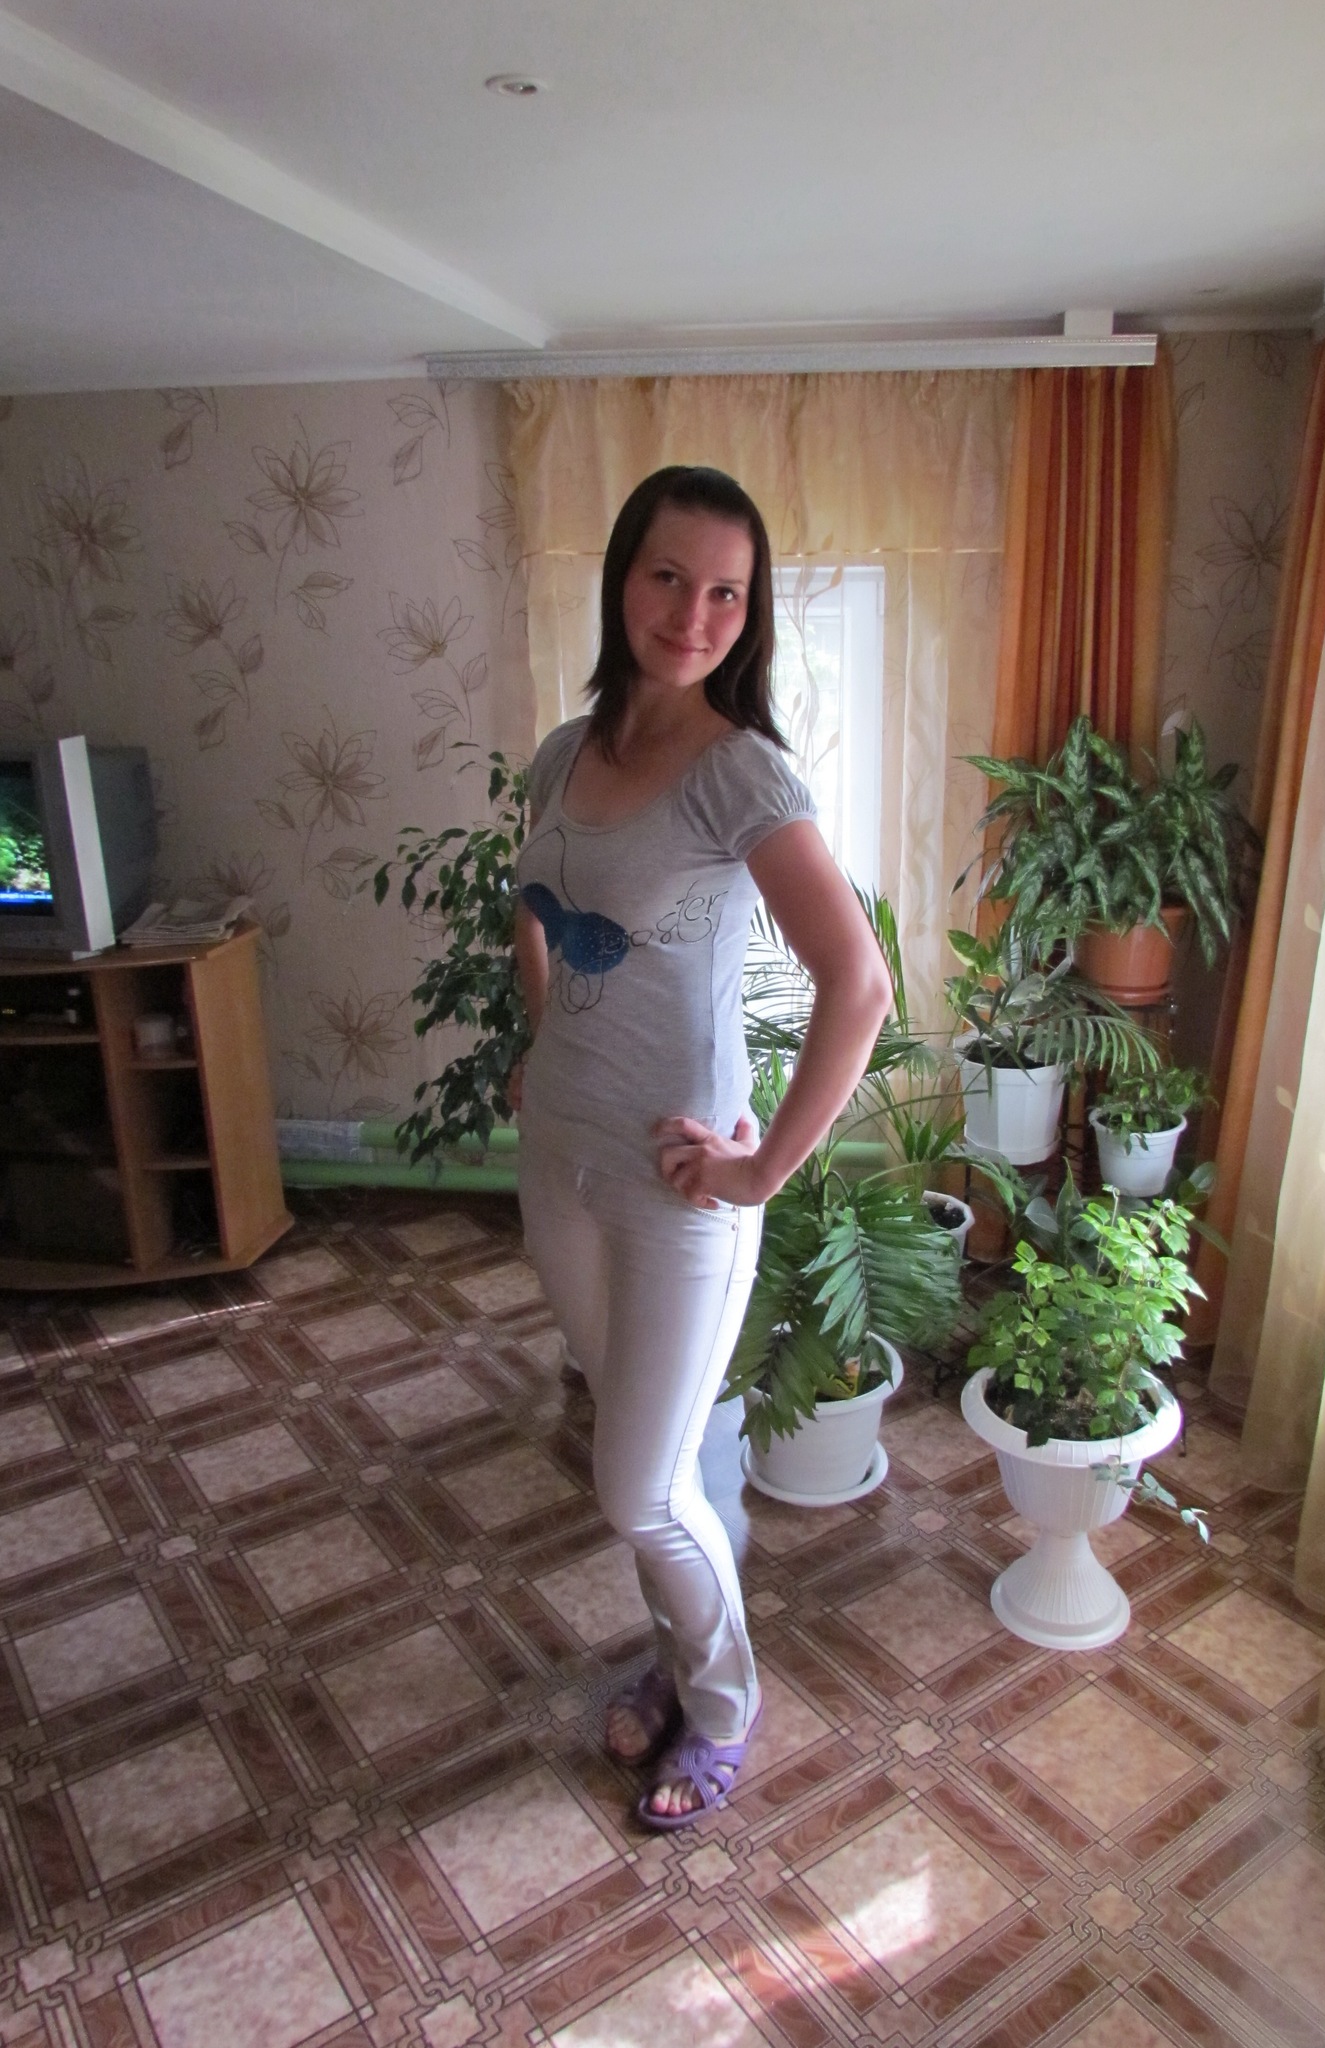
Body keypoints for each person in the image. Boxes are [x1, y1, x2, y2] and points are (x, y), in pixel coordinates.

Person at [512, 465, 891, 1830]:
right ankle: (677, 1661)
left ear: (752, 611)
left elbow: (859, 985)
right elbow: (536, 910)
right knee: (656, 1463)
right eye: (670, 577)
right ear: (623, 577)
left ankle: (723, 1708)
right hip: (558, 1170)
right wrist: (541, 1041)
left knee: (636, 1488)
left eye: (728, 592)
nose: (694, 615)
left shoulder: (741, 771)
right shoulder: (564, 754)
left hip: (680, 1194)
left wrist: (759, 1172)